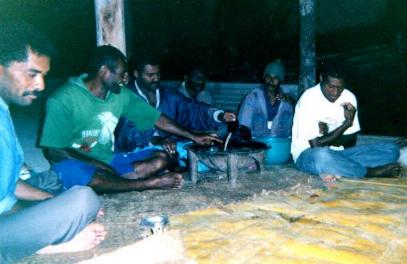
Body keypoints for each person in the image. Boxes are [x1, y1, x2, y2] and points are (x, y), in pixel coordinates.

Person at [40, 45, 219, 193]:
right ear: (104, 72)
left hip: (109, 162)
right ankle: (147, 184)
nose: (125, 79)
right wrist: (99, 166)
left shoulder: (120, 95)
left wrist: (193, 136)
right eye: (121, 74)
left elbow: (156, 118)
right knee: (76, 172)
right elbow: (53, 151)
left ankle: (112, 184)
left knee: (161, 158)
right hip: (75, 165)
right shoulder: (62, 99)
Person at [0, 22, 105, 263]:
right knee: (83, 200)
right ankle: (46, 246)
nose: (41, 85)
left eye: (43, 76)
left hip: (8, 207)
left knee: (68, 178)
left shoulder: (3, 110)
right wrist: (48, 244)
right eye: (32, 74)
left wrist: (51, 202)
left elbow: (10, 184)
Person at [291, 60, 401, 182]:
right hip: (308, 155)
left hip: (340, 155)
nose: (335, 93)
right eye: (331, 86)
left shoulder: (349, 98)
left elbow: (350, 141)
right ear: (321, 78)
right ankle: (368, 171)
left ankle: (341, 168)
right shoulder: (308, 99)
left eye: (340, 87)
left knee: (391, 150)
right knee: (322, 156)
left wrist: (327, 138)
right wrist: (346, 124)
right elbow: (316, 146)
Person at [114, 55, 235, 156]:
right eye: (150, 75)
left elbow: (190, 109)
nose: (156, 79)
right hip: (133, 153)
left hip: (171, 148)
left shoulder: (168, 95)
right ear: (136, 74)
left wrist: (219, 115)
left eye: (158, 74)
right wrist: (156, 140)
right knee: (162, 159)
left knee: (207, 155)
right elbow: (128, 133)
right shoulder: (126, 96)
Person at [238, 60, 294, 138]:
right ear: (264, 78)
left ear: (281, 80)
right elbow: (243, 126)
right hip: (256, 144)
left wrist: (294, 104)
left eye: (276, 78)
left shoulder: (288, 100)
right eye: (268, 77)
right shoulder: (252, 98)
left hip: (281, 144)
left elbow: (296, 127)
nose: (271, 81)